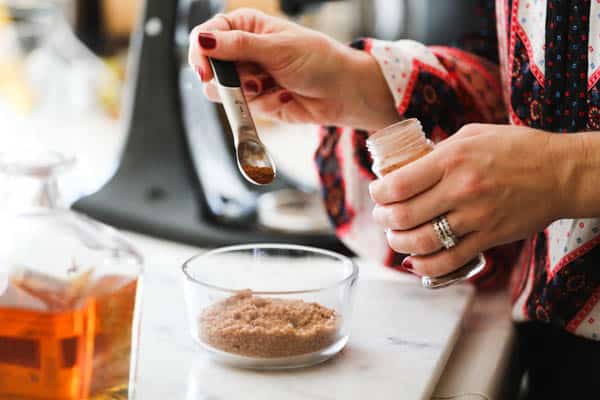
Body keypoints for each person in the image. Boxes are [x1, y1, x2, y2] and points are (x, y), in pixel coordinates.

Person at [188, 3, 600, 398]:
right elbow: (524, 105)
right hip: (552, 350)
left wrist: (568, 172)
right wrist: (360, 84)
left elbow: (551, 161)